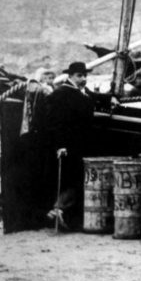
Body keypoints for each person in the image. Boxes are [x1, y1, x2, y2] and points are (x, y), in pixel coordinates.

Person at [45, 62, 96, 230]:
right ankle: (58, 208)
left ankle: (60, 210)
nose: (83, 79)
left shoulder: (77, 92)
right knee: (73, 180)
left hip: (79, 144)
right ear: (71, 76)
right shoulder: (62, 94)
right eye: (79, 76)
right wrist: (60, 145)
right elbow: (56, 122)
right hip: (69, 145)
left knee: (76, 179)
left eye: (84, 75)